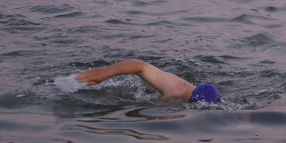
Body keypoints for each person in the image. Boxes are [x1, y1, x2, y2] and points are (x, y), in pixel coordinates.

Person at [75, 60, 221, 103]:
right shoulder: (175, 87)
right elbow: (140, 66)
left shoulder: (214, 101)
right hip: (144, 93)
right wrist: (105, 73)